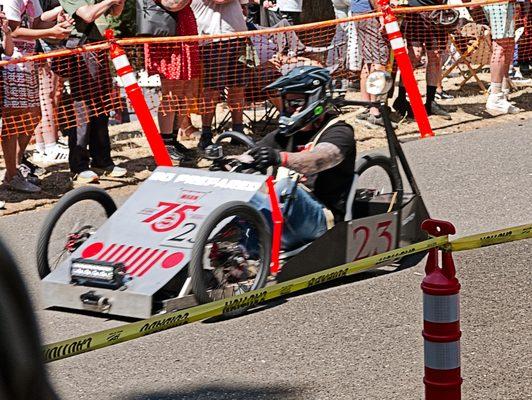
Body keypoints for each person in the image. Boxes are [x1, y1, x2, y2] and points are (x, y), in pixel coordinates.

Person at [245, 66, 356, 249]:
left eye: (295, 103)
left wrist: (280, 158)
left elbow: (320, 159)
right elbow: (251, 158)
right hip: (288, 212)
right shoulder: (282, 135)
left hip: (322, 217)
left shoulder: (339, 131)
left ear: (315, 99)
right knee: (243, 189)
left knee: (284, 187)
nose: (289, 109)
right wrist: (225, 169)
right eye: (286, 103)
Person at [1, 0, 73, 193]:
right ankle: (12, 173)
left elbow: (36, 22)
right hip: (11, 60)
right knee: (13, 118)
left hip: (29, 58)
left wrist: (59, 14)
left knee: (34, 115)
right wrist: (51, 32)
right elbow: (14, 30)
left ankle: (14, 170)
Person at [58, 0, 127, 183]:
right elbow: (88, 15)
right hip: (80, 48)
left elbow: (116, 13)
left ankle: (102, 161)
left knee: (103, 107)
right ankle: (79, 166)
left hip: (99, 47)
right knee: (83, 110)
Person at [143, 0, 200, 163]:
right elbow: (171, 4)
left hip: (184, 31)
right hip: (167, 34)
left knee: (186, 91)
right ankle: (166, 143)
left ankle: (174, 140)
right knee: (171, 92)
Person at [191, 0, 249, 150]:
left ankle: (238, 132)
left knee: (238, 87)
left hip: (240, 35)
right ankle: (206, 135)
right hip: (213, 39)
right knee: (211, 90)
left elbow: (245, 6)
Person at [395, 0, 454, 120]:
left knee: (436, 56)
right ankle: (401, 100)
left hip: (437, 12)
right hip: (415, 12)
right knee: (414, 56)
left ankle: (430, 102)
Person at [32, 0, 69, 166]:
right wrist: (63, 8)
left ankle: (45, 145)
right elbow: (37, 19)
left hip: (53, 41)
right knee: (47, 96)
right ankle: (48, 146)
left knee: (53, 95)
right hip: (42, 44)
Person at [350, 0, 391, 127]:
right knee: (378, 62)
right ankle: (375, 111)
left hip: (360, 13)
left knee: (369, 62)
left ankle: (366, 107)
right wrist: (381, 15)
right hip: (370, 14)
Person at [481, 1, 521, 113]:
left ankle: (502, 91)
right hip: (497, 4)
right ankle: (495, 97)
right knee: (500, 47)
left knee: (509, 44)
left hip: (507, 4)